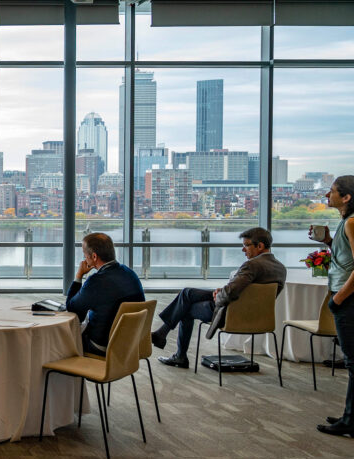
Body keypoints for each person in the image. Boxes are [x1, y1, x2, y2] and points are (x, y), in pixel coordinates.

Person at [152, 227, 286, 368]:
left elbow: (230, 294)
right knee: (187, 293)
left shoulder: (252, 265)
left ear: (260, 246)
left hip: (231, 313)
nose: (243, 250)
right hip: (256, 314)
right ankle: (162, 334)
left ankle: (178, 354)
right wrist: (222, 291)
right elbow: (247, 292)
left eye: (246, 245)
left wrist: (220, 295)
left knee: (186, 308)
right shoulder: (280, 268)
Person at [313, 176, 354, 436]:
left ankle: (350, 422)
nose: (328, 195)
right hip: (343, 295)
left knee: (353, 362)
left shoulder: (351, 223)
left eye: (332, 191)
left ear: (347, 197)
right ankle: (350, 416)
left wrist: (338, 299)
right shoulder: (344, 223)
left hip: (348, 298)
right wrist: (329, 242)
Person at [65, 233, 145, 356]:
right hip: (129, 346)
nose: (84, 258)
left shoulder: (97, 281)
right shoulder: (130, 273)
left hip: (101, 347)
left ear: (94, 256)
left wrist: (79, 276)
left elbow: (73, 309)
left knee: (59, 340)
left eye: (84, 254)